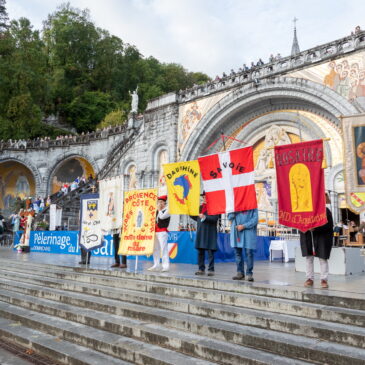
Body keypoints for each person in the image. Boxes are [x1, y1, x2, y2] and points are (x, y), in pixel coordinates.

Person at [300, 194, 334, 289]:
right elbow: (299, 223)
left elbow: (329, 225)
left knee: (322, 259)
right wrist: (306, 228)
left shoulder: (325, 211)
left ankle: (324, 279)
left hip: (321, 237)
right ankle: (309, 279)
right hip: (308, 237)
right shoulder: (304, 211)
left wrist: (316, 228)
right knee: (309, 258)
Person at [190, 192, 220, 276]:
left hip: (210, 232)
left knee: (210, 251)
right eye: (203, 196)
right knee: (200, 251)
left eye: (206, 196)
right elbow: (196, 217)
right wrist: (189, 212)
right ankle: (201, 269)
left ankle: (211, 269)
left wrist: (204, 217)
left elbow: (215, 219)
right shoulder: (200, 207)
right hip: (201, 231)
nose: (204, 198)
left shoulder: (214, 207)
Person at [228, 209, 258, 281]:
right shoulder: (234, 204)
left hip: (248, 231)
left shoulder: (252, 204)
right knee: (237, 253)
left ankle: (249, 274)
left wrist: (244, 226)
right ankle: (240, 273)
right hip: (236, 231)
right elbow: (229, 217)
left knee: (249, 253)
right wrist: (234, 210)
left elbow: (255, 219)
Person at [148, 195, 170, 272]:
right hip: (156, 231)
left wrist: (159, 210)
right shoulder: (157, 210)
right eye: (158, 202)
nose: (159, 204)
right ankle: (156, 264)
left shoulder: (168, 210)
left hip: (163, 231)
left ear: (164, 202)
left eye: (161, 202)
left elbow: (162, 217)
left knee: (163, 249)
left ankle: (165, 266)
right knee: (155, 248)